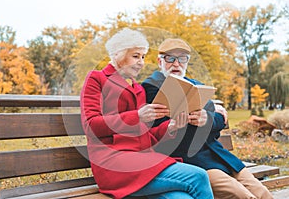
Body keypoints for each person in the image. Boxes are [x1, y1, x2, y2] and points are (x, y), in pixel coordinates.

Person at [80, 28, 214, 199]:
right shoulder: (97, 78)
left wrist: (170, 127)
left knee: (181, 198)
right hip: (115, 165)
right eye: (136, 56)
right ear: (118, 55)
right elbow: (91, 125)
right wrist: (137, 116)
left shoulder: (138, 88)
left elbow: (145, 137)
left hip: (143, 162)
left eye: (143, 57)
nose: (141, 62)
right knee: (199, 176)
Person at [142, 38, 273, 199]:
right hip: (190, 161)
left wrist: (206, 119)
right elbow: (174, 126)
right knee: (244, 196)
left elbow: (220, 120)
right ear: (159, 61)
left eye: (182, 59)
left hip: (219, 155)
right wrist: (209, 113)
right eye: (170, 58)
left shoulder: (196, 85)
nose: (176, 64)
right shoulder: (151, 86)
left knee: (263, 193)